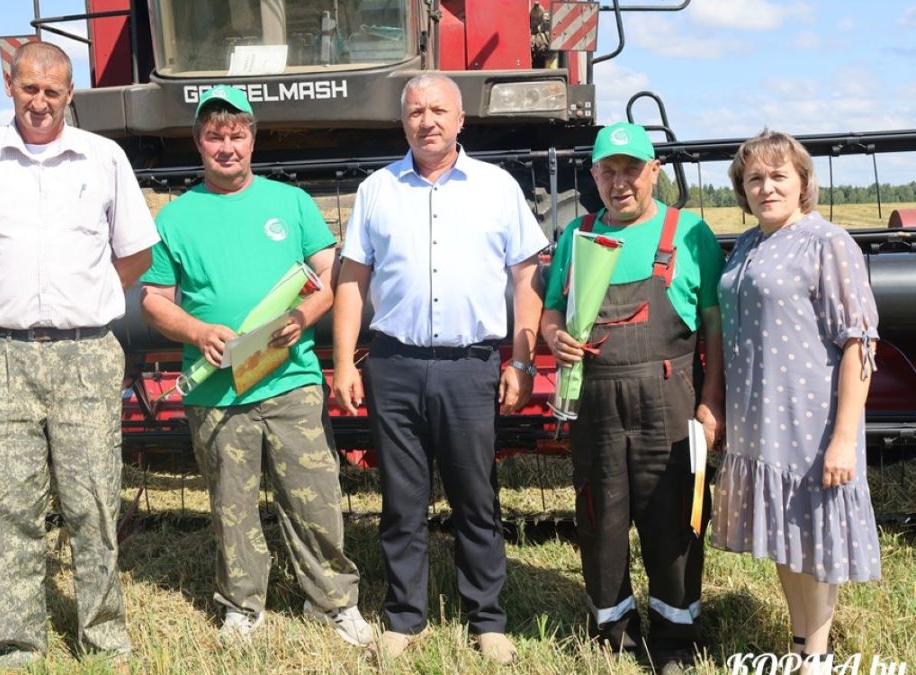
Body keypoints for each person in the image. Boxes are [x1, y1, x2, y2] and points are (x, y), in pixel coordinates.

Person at [0, 41, 159, 669]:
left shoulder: (104, 157)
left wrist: (88, 297)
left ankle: (104, 637)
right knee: (10, 505)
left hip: (87, 354)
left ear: (69, 94)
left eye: (53, 91)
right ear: (10, 85)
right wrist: (3, 297)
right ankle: (19, 644)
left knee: (93, 500)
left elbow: (137, 253)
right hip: (1, 354)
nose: (40, 101)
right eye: (29, 88)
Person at [139, 85, 372, 647]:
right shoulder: (175, 218)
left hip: (289, 379)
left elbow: (330, 274)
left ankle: (334, 602)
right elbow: (153, 301)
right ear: (199, 142)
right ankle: (242, 604)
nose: (227, 146)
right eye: (215, 136)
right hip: (218, 388)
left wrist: (304, 312)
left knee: (314, 495)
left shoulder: (289, 203)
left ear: (252, 137)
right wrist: (197, 331)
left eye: (236, 134)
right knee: (231, 505)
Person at [333, 72, 547, 666]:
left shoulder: (497, 188)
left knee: (476, 496)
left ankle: (488, 618)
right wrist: (345, 361)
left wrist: (522, 360)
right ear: (403, 122)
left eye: (438, 110)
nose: (427, 120)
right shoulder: (378, 189)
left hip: (469, 366)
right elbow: (353, 280)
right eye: (415, 111)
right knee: (402, 501)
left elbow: (528, 276)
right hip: (394, 365)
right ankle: (406, 616)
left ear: (460, 121)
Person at [540, 122, 725, 673]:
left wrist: (710, 402)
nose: (620, 183)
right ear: (594, 175)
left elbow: (713, 330)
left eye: (632, 170)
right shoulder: (577, 235)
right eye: (608, 171)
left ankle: (675, 638)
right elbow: (553, 309)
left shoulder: (689, 234)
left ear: (654, 173)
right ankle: (614, 631)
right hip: (596, 401)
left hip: (668, 397)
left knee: (675, 522)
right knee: (600, 518)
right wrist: (554, 336)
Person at [711, 130, 880, 673]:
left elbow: (859, 343)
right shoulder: (745, 244)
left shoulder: (827, 243)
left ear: (803, 182)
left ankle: (818, 655)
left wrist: (844, 438)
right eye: (755, 179)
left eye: (778, 176)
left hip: (809, 420)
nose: (766, 187)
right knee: (785, 538)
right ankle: (797, 639)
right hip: (760, 422)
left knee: (814, 539)